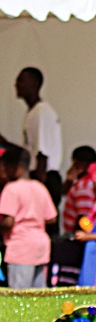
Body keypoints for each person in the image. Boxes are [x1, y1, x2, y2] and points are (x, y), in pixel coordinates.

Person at [0, 67, 63, 235]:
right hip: (40, 176)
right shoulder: (33, 113)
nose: (16, 84)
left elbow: (42, 154)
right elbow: (30, 150)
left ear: (35, 84)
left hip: (44, 176)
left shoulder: (41, 112)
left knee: (43, 227)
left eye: (21, 80)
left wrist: (37, 189)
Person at [0, 145, 57, 289]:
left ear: (13, 167)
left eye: (4, 167)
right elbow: (51, 218)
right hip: (41, 246)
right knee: (38, 294)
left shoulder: (11, 189)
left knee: (20, 296)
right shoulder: (39, 187)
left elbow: (8, 222)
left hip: (21, 248)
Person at [61, 145, 96, 234]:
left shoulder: (84, 186)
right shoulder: (92, 182)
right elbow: (63, 192)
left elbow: (84, 217)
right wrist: (69, 179)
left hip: (80, 237)